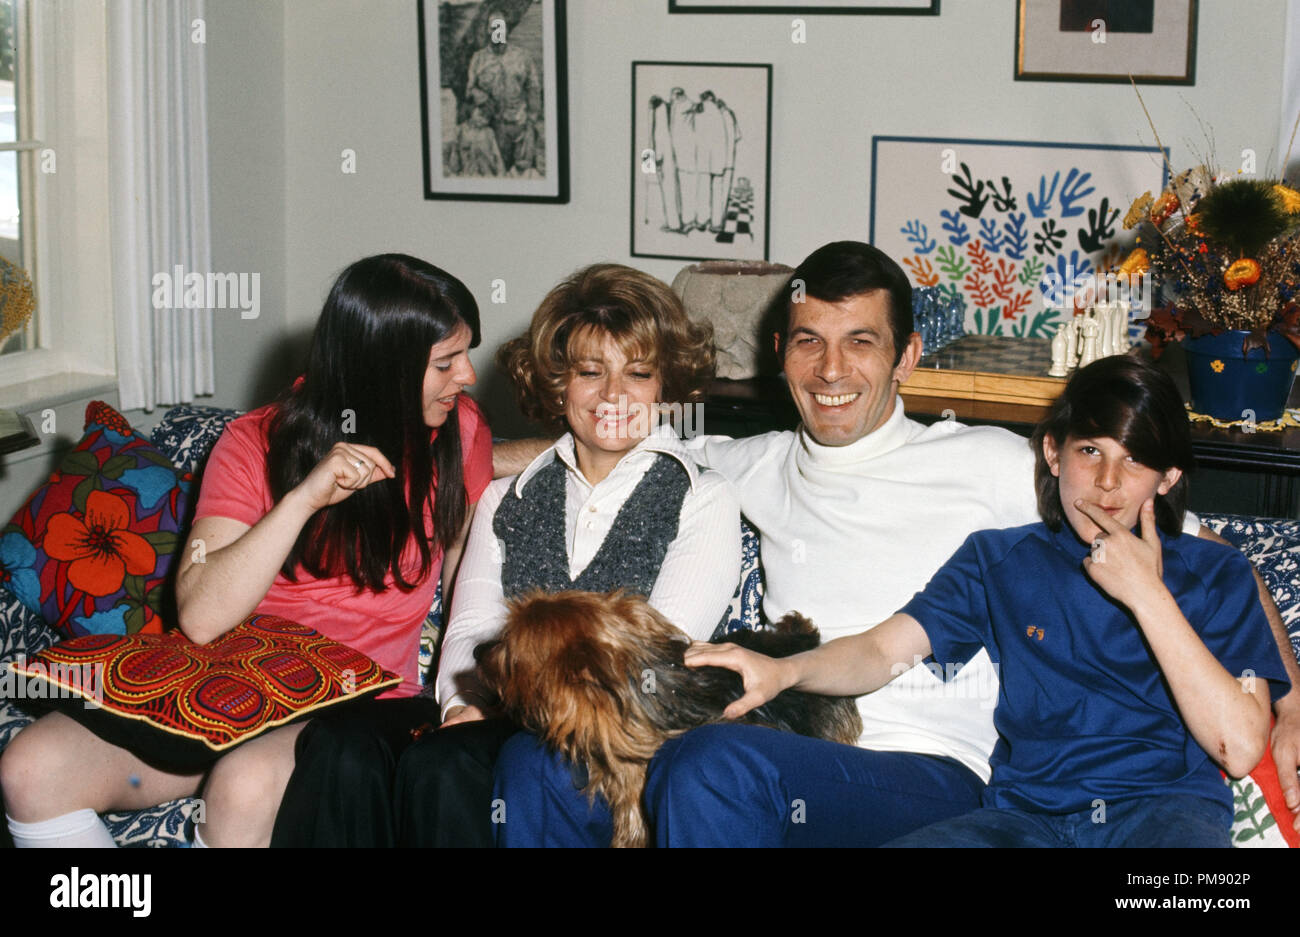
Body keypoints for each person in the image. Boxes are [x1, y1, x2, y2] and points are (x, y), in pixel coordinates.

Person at [494, 240, 1300, 845]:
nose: (831, 367)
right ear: (781, 355)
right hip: (791, 737)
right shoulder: (750, 464)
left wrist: (1293, 707)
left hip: (933, 767)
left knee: (709, 763)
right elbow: (612, 437)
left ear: (907, 356)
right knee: (543, 769)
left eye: (861, 341)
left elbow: (1213, 550)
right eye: (809, 339)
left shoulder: (993, 462)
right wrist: (466, 462)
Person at [692, 356, 1288, 847]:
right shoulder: (1000, 559)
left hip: (1163, 816)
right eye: (1090, 452)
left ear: (1166, 479)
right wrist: (783, 670)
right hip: (1025, 819)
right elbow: (880, 649)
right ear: (1054, 455)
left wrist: (1147, 595)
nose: (1108, 481)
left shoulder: (1219, 573)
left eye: (1134, 460)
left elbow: (1237, 749)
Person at [0, 253, 491, 848]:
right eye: (446, 362)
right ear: (379, 367)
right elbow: (202, 618)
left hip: (350, 709)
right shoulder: (254, 441)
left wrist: (465, 691)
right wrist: (304, 499)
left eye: (464, 354)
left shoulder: (459, 432)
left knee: (244, 787)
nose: (467, 375)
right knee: (30, 768)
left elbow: (470, 558)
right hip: (225, 684)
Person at [336, 263, 739, 848]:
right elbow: (471, 626)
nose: (613, 396)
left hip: (620, 743)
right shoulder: (505, 497)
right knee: (430, 760)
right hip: (504, 714)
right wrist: (460, 707)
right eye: (589, 372)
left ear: (666, 385)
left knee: (505, 764)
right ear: (558, 382)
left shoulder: (703, 498)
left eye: (639, 373)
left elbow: (654, 658)